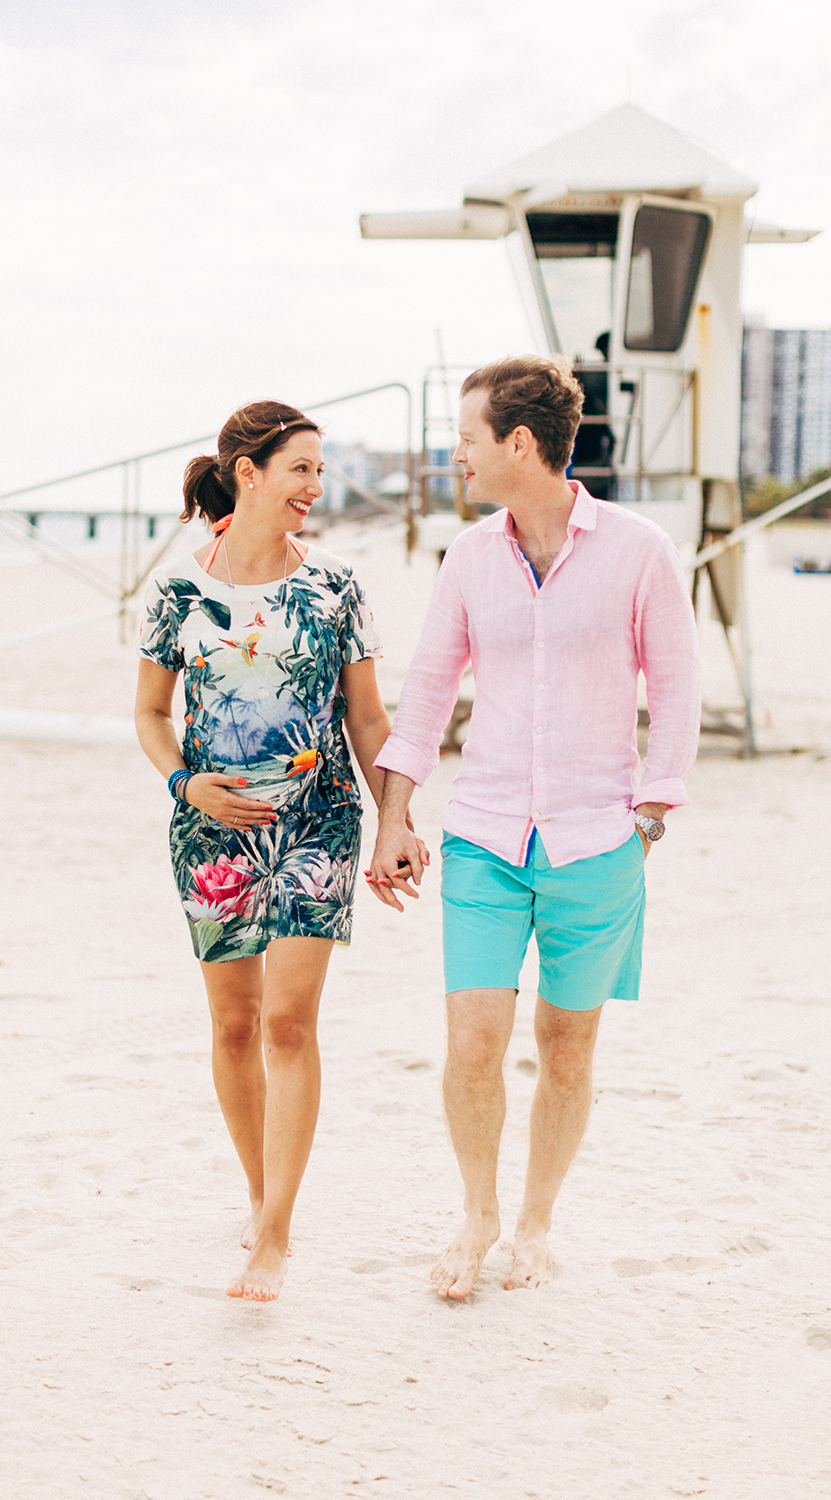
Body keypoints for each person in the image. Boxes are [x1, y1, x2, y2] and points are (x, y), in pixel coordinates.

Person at [366, 356, 700, 1298]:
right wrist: (393, 816)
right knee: (471, 1042)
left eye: (467, 437)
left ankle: (536, 1223)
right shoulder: (469, 558)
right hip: (483, 840)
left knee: (566, 1046)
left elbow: (675, 687)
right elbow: (427, 696)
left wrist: (650, 816)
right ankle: (476, 1216)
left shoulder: (639, 550)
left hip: (599, 843)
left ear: (520, 443)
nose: (457, 454)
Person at [135, 400, 422, 1302]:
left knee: (291, 1024)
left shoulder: (335, 585)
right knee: (233, 1025)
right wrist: (187, 784)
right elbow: (148, 715)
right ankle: (261, 1195)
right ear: (248, 473)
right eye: (301, 467)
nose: (316, 485)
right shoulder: (177, 591)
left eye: (318, 468)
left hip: (320, 820)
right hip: (211, 831)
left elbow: (369, 717)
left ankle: (276, 1234)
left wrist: (396, 820)